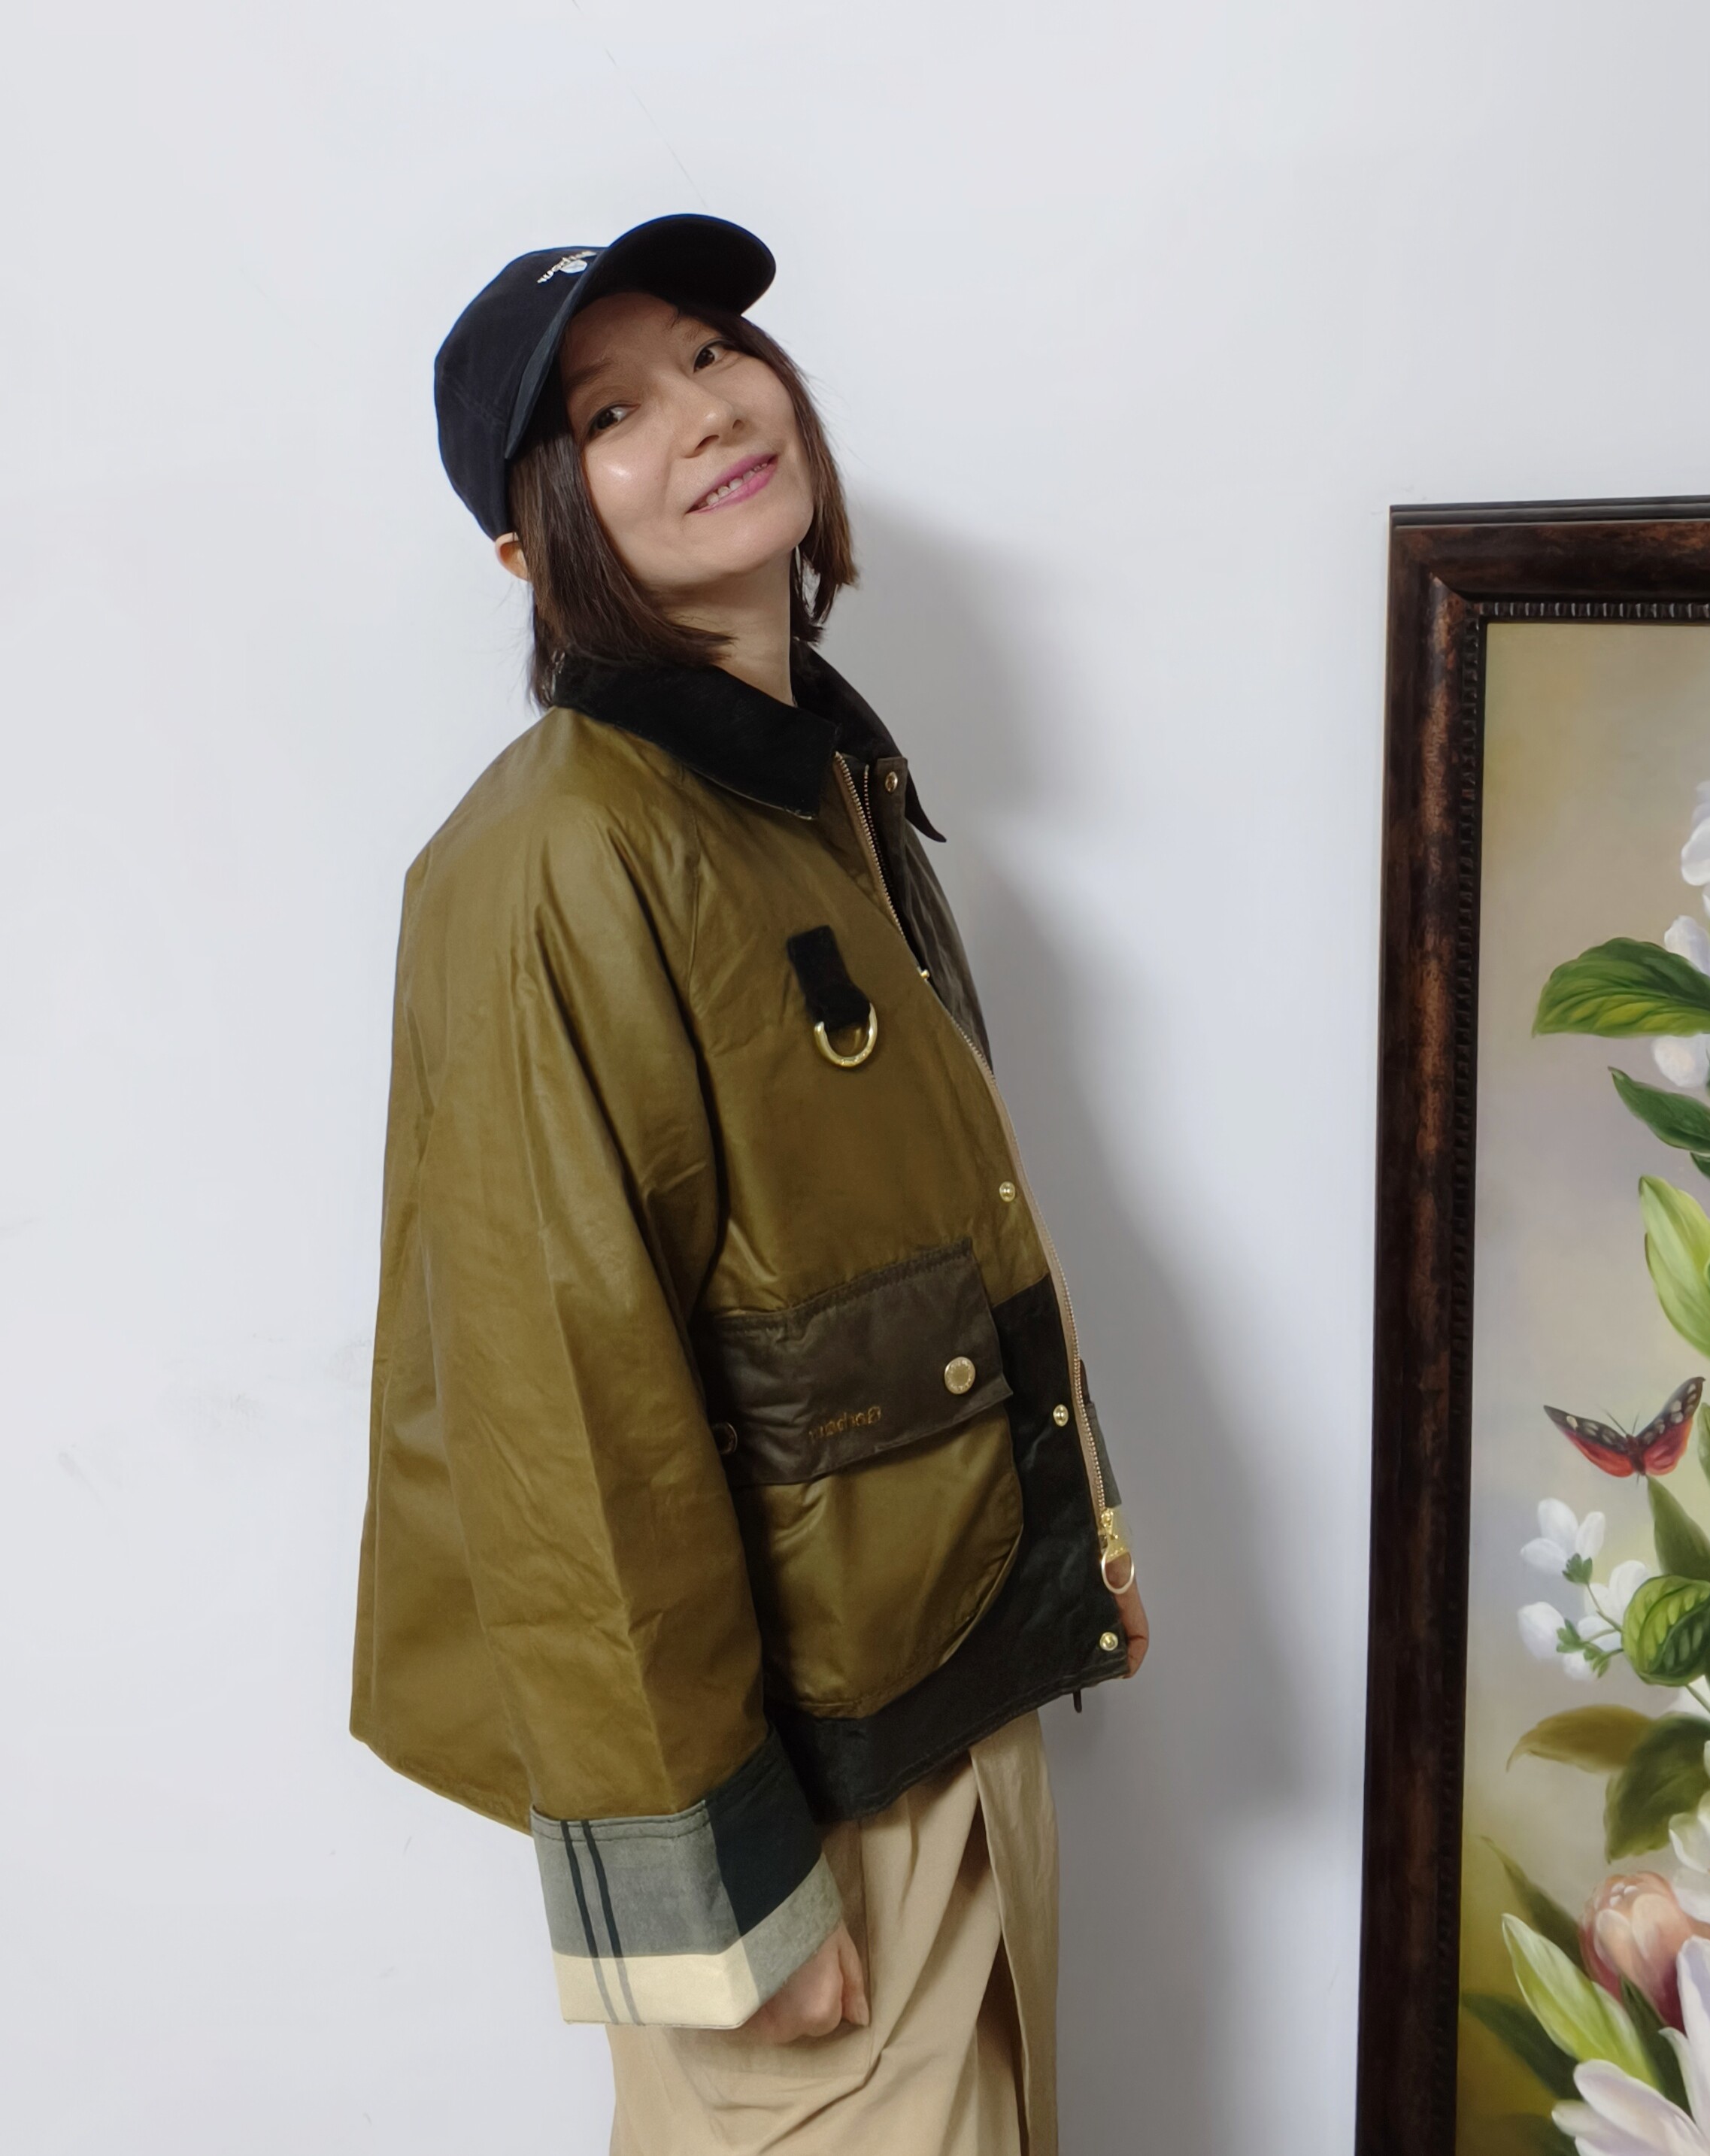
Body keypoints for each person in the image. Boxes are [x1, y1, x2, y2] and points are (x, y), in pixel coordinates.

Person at [350, 214, 1148, 2156]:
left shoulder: (814, 791)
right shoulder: (551, 860)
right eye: (610, 412)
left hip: (942, 1705)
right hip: (803, 1809)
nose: (705, 410)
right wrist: (716, 1900)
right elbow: (559, 1416)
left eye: (714, 350)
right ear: (530, 545)